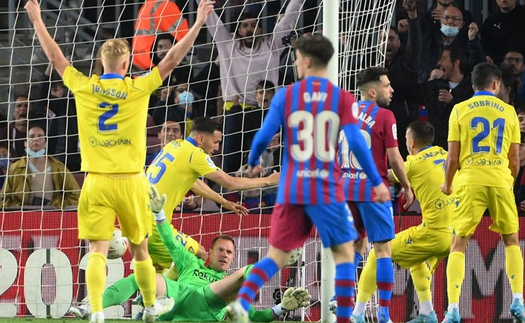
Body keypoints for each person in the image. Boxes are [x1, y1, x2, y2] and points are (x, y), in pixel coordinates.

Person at [24, 0, 215, 322]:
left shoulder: (85, 85)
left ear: (100, 62)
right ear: (127, 64)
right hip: (131, 181)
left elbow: (55, 57)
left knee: (97, 251)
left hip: (96, 180)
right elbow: (171, 60)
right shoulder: (138, 87)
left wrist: (37, 19)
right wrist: (197, 23)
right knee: (140, 251)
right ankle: (151, 304)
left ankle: (96, 309)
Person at [225, 34, 390, 323]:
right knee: (344, 255)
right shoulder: (342, 98)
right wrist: (376, 181)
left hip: (292, 189)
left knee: (276, 256)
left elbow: (263, 136)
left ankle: (242, 301)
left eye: (297, 58)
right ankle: (343, 318)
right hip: (325, 190)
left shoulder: (286, 95)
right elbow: (355, 141)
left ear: (308, 60)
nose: (296, 63)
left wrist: (252, 162)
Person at [70, 201, 311, 321]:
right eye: (221, 250)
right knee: (141, 277)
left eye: (229, 253)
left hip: (205, 304)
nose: (225, 255)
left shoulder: (227, 285)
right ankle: (94, 305)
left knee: (241, 279)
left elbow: (255, 317)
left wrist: (281, 309)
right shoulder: (191, 263)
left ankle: (276, 259)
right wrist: (160, 215)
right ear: (211, 252)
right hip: (175, 297)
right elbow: (171, 242)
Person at [440, 62, 524, 323]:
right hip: (500, 180)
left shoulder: (459, 110)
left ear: (473, 85)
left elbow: (452, 157)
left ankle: (453, 307)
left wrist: (447, 183)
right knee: (511, 241)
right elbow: (515, 159)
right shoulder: (509, 112)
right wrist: (508, 182)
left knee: (458, 244)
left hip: (469, 181)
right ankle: (518, 301)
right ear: (496, 84)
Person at [145, 116, 279, 276]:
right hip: (156, 227)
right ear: (201, 138)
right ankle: (174, 298)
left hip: (138, 222)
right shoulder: (195, 155)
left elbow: (194, 183)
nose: (217, 147)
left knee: (156, 270)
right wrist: (269, 180)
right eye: (215, 142)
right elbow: (231, 183)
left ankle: (150, 298)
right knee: (199, 254)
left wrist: (223, 201)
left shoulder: (175, 145)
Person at [352, 121, 455, 323]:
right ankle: (427, 314)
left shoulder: (414, 164)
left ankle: (357, 313)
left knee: (377, 253)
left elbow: (385, 176)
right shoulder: (445, 154)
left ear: (411, 143)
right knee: (417, 261)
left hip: (434, 233)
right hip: (455, 235)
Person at [338, 66, 413, 323]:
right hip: (373, 190)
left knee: (356, 245)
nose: (391, 90)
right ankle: (383, 315)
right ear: (372, 91)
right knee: (383, 250)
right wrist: (407, 185)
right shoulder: (385, 116)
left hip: (345, 187)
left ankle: (340, 298)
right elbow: (394, 158)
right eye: (386, 86)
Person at [197, 0, 304, 173]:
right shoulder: (227, 46)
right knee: (231, 162)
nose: (249, 29)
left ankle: (267, 197)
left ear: (260, 29)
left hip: (265, 111)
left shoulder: (272, 46)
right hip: (236, 112)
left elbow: (289, 18)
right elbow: (211, 18)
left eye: (254, 25)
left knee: (269, 162)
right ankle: (231, 196)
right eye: (245, 26)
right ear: (239, 30)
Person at [1, 122, 79, 209]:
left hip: (52, 217)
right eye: (32, 136)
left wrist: (56, 207)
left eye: (40, 136)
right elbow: (5, 199)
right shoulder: (14, 169)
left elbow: (75, 195)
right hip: (24, 217)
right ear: (25, 143)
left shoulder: (59, 168)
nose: (36, 139)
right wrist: (22, 208)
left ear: (45, 143)